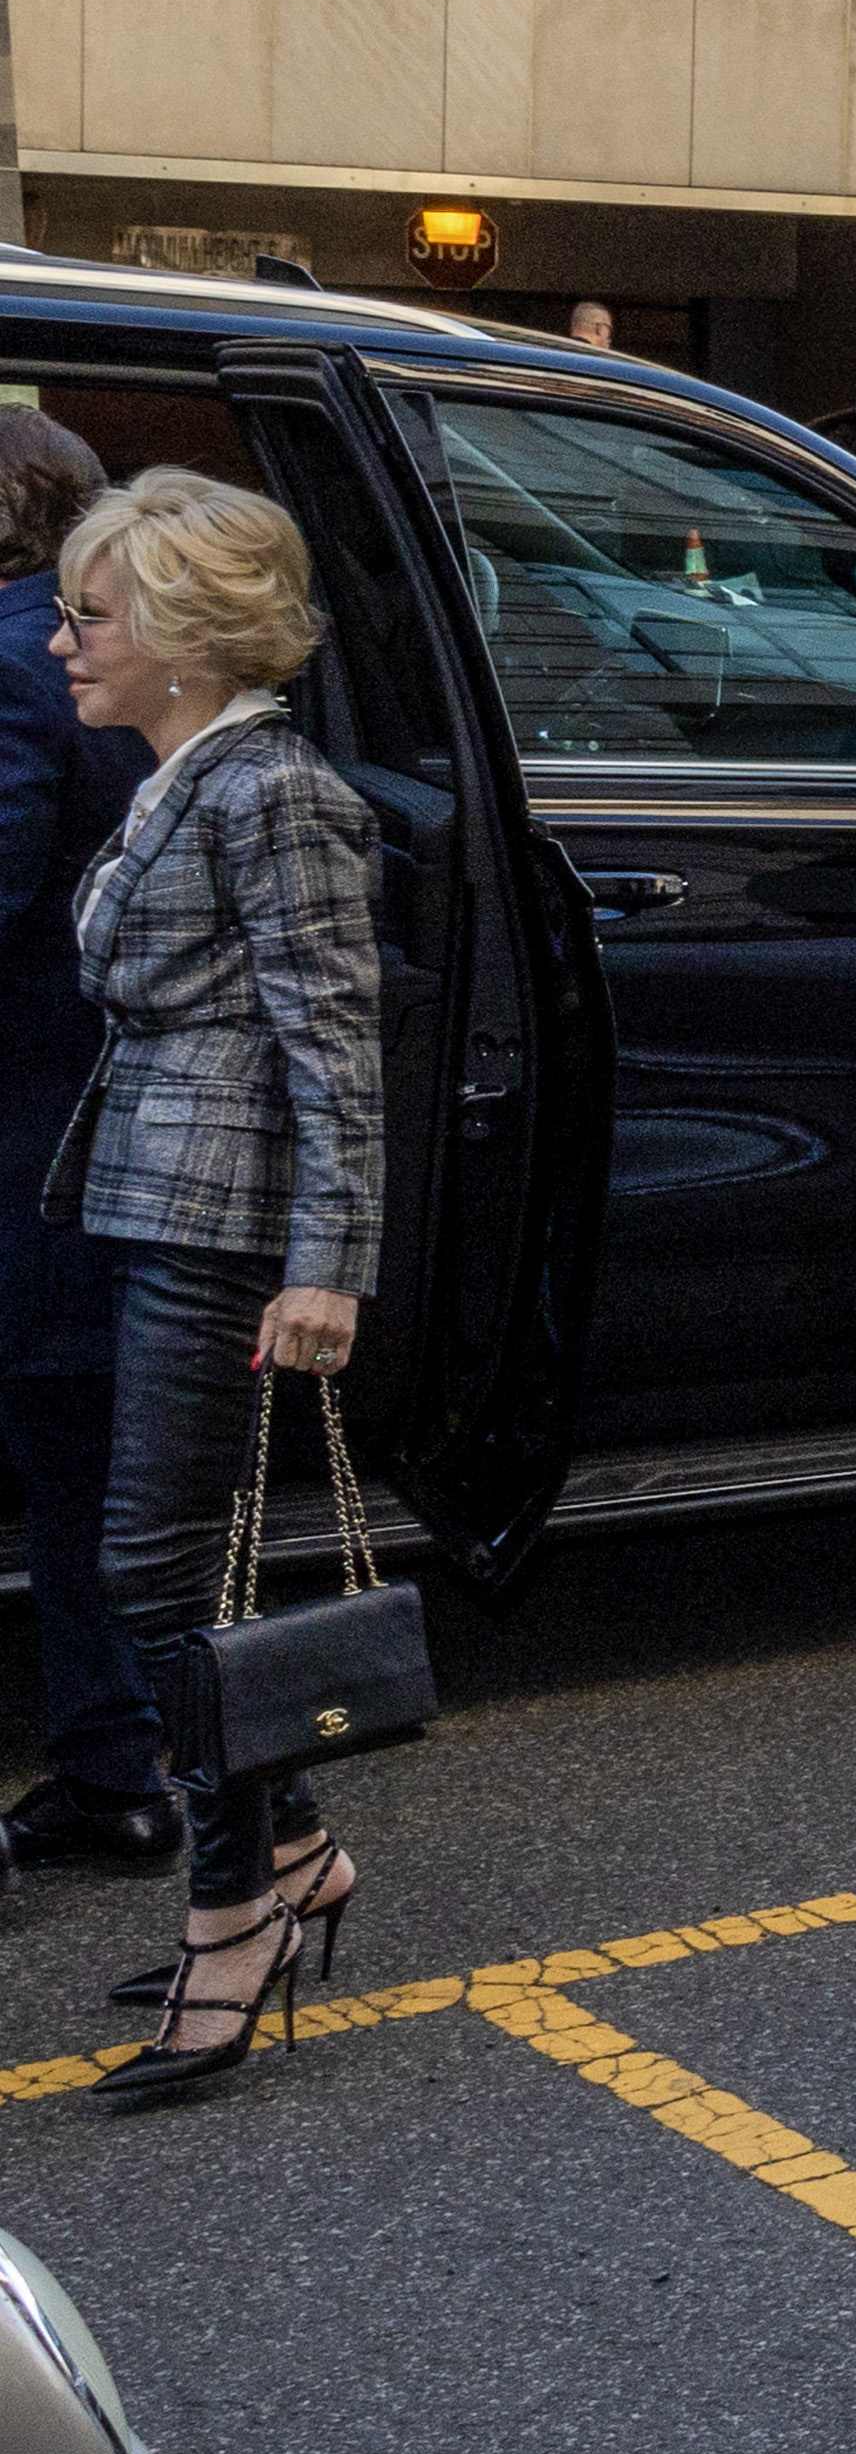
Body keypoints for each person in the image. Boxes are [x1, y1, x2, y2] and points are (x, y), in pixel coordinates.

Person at [49, 469, 384, 2105]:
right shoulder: (185, 776)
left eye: (89, 615)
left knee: (151, 1575)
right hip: (160, 1207)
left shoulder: (272, 792)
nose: (60, 642)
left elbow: (338, 1049)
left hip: (229, 1226)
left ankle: (233, 1909)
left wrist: (330, 1268)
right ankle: (295, 1847)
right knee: (158, 1571)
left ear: (180, 633)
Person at [0, 410, 161, 1883]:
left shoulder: (12, 665)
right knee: (81, 1475)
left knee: (79, 1468)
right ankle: (119, 1771)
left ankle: (138, 1777)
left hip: (31, 1140)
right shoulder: (100, 666)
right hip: (89, 1140)